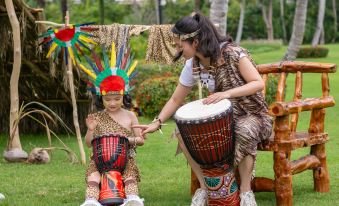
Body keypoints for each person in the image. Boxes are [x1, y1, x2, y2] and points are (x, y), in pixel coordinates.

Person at [133, 12, 273, 206]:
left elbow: (258, 83)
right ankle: (207, 188)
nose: (177, 49)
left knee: (243, 130)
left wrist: (227, 93)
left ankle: (246, 193)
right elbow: (175, 99)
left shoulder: (233, 53)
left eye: (179, 44)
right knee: (183, 133)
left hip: (253, 115)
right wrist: (156, 123)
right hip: (225, 118)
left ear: (195, 41)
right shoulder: (193, 65)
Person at [80, 56, 144, 206]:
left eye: (117, 98)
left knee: (129, 177)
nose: (112, 103)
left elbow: (140, 140)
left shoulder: (130, 116)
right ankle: (91, 201)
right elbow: (89, 144)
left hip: (125, 159)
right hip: (99, 160)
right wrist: (90, 130)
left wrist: (127, 140)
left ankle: (132, 199)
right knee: (93, 177)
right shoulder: (97, 117)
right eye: (107, 99)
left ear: (124, 96)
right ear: (101, 98)